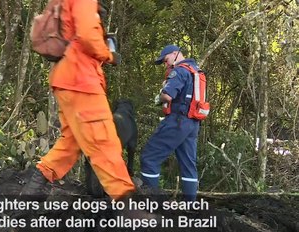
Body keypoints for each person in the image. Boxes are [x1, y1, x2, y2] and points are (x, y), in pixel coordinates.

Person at [21, 0, 134, 201]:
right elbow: (88, 35)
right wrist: (109, 54)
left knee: (70, 144)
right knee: (104, 140)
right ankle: (128, 206)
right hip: (81, 80)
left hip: (66, 79)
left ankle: (28, 196)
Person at [140, 45, 201, 201]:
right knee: (188, 164)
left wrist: (159, 96)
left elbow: (167, 96)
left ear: (175, 53)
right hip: (192, 124)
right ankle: (190, 207)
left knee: (149, 157)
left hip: (177, 121)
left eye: (165, 60)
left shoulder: (179, 71)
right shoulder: (196, 71)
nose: (166, 64)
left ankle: (150, 204)